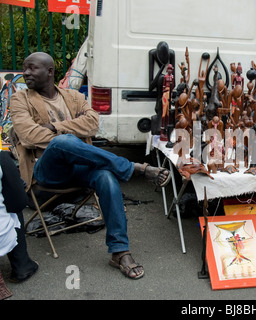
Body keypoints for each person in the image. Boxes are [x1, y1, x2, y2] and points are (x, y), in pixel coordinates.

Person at [9, 52, 171, 280]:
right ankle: (135, 168)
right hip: (46, 172)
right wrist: (66, 133)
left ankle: (119, 251)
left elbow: (93, 124)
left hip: (78, 169)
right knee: (62, 143)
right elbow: (28, 135)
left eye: (32, 68)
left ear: (50, 72)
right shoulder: (20, 99)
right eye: (25, 68)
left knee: (105, 176)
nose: (25, 73)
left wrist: (55, 127)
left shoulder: (73, 96)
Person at [0, 151, 39, 288]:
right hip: (2, 238)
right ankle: (22, 266)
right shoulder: (2, 158)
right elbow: (19, 203)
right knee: (14, 206)